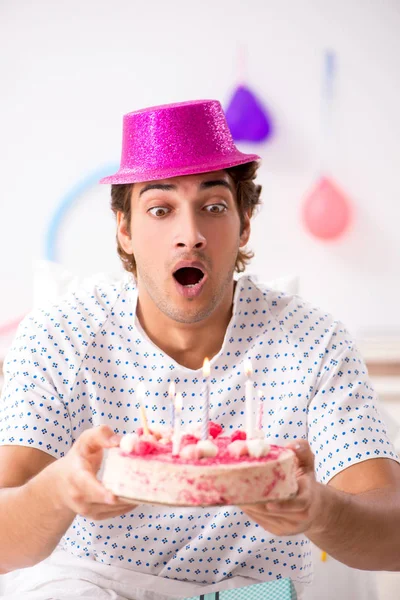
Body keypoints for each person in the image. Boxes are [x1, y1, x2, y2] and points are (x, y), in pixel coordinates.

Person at [0, 99, 399, 600]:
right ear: (124, 230)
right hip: (87, 584)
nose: (189, 236)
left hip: (252, 591)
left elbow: (393, 537)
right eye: (160, 209)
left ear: (244, 223)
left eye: (213, 208)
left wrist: (319, 508)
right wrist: (59, 491)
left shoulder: (313, 343)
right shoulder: (58, 336)